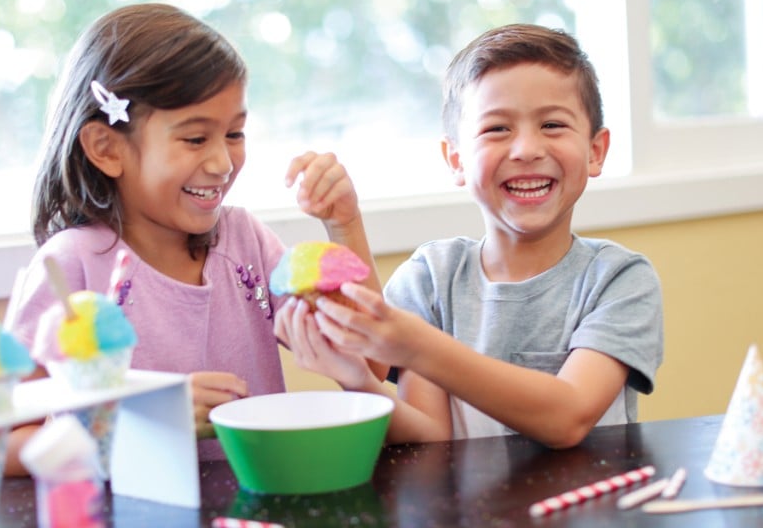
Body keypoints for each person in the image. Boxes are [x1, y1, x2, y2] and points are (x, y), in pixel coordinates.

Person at [5, 3, 380, 475]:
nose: (223, 163)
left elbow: (370, 361)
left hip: (257, 513)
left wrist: (343, 224)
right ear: (106, 149)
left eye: (235, 133)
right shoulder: (70, 268)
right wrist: (150, 420)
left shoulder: (247, 244)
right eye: (195, 139)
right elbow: (6, 443)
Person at [277, 23, 663, 448]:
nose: (527, 149)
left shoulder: (621, 280)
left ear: (595, 151)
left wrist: (418, 346)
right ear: (456, 159)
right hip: (466, 515)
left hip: (592, 512)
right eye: (498, 128)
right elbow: (429, 438)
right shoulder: (431, 279)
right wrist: (355, 380)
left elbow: (567, 417)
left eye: (552, 124)